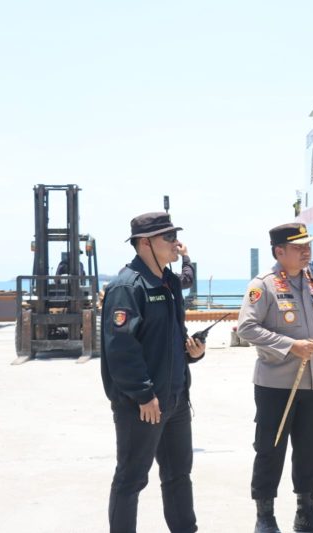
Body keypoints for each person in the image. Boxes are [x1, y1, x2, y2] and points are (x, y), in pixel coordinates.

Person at [101, 212, 206, 533]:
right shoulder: (127, 287)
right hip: (143, 404)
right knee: (131, 478)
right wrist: (144, 395)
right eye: (169, 238)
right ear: (145, 243)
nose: (176, 244)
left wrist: (192, 355)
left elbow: (163, 341)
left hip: (174, 398)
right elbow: (121, 348)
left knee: (178, 475)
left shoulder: (168, 282)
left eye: (175, 236)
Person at [237, 223, 313, 533]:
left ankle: (306, 512)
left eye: (308, 245)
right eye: (298, 247)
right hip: (277, 385)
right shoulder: (264, 285)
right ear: (279, 251)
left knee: (311, 449)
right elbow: (246, 328)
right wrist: (290, 345)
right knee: (271, 449)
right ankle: (265, 517)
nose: (306, 251)